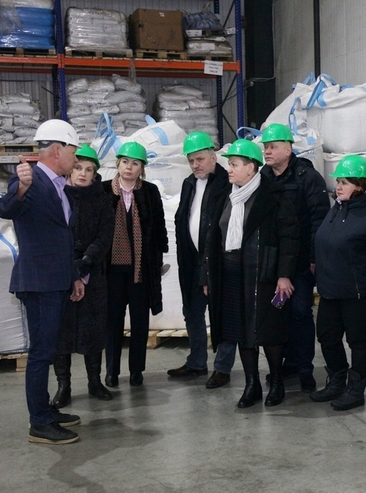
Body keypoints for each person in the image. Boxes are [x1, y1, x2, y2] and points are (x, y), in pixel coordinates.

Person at [0, 119, 83, 445]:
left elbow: (62, 238)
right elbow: (6, 208)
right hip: (40, 283)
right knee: (41, 353)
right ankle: (40, 423)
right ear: (57, 150)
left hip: (56, 280)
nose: (76, 159)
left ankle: (46, 410)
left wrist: (73, 276)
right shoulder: (30, 180)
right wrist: (20, 187)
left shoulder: (59, 186)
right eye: (74, 151)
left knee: (48, 349)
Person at [203, 139, 299, 408]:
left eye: (234, 164)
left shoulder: (274, 196)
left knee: (268, 331)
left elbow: (290, 237)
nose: (229, 169)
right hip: (231, 274)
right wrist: (207, 276)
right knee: (241, 331)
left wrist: (284, 275)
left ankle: (277, 382)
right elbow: (212, 238)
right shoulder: (226, 195)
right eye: (229, 164)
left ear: (251, 167)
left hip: (263, 274)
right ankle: (251, 384)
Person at [310, 155, 366, 410]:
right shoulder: (337, 209)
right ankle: (337, 379)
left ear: (359, 185)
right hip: (330, 289)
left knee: (358, 341)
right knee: (327, 336)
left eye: (344, 182)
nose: (338, 186)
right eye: (338, 181)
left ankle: (356, 388)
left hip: (357, 293)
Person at [260, 123, 329, 393]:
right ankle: (287, 363)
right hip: (273, 263)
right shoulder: (263, 177)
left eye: (273, 146)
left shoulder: (307, 178)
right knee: (278, 314)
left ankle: (304, 368)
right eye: (265, 147)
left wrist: (313, 257)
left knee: (300, 313)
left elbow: (318, 220)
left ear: (288, 149)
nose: (267, 151)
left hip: (300, 263)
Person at [43, 145, 114, 407]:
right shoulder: (58, 196)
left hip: (93, 274)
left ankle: (95, 381)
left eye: (89, 169)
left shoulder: (102, 201)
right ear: (70, 170)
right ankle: (64, 385)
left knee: (93, 330)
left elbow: (104, 236)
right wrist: (70, 269)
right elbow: (53, 235)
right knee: (61, 332)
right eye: (78, 167)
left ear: (95, 174)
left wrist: (84, 265)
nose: (82, 173)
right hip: (61, 273)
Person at [166, 132, 238, 389]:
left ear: (213, 157)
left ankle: (222, 368)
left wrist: (213, 262)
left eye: (199, 159)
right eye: (191, 160)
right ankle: (197, 361)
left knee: (223, 315)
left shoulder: (227, 183)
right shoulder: (189, 184)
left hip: (218, 262)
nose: (195, 165)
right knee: (192, 312)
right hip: (192, 261)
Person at [103, 141, 168, 388]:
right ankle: (111, 371)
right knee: (113, 322)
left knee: (140, 322)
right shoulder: (104, 191)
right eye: (125, 162)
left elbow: (159, 228)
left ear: (142, 168)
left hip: (140, 269)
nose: (129, 167)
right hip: (112, 270)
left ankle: (136, 371)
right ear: (117, 164)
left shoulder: (149, 192)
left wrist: (157, 261)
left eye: (135, 163)